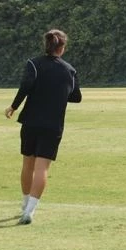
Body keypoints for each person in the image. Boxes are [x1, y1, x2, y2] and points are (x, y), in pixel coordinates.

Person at [5, 29, 82, 225]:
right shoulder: (70, 70)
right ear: (62, 48)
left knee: (27, 165)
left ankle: (24, 203)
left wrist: (13, 106)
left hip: (30, 121)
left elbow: (25, 87)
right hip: (53, 124)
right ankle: (30, 211)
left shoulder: (33, 64)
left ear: (46, 45)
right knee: (42, 168)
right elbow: (76, 97)